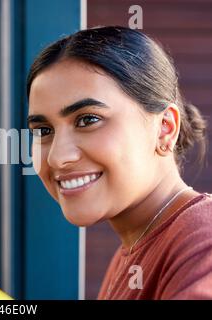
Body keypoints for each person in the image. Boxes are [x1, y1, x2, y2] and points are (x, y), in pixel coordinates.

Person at [26, 26, 212, 299]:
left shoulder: (202, 241)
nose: (57, 157)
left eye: (88, 119)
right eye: (43, 130)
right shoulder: (131, 252)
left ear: (165, 128)